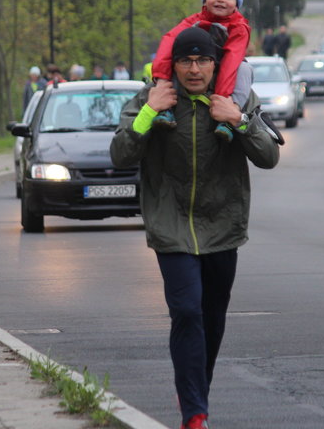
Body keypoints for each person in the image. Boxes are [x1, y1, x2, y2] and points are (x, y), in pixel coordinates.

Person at [110, 26, 280, 429]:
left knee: (213, 317)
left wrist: (239, 120)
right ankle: (195, 414)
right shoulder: (153, 98)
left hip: (223, 225)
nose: (194, 69)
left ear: (215, 64)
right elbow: (120, 154)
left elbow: (269, 156)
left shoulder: (236, 96)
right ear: (173, 65)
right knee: (187, 312)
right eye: (185, 60)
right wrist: (149, 113)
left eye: (202, 60)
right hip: (171, 226)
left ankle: (194, 388)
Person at [150, 0, 253, 143]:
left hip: (224, 75)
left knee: (244, 68)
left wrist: (220, 98)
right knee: (180, 62)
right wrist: (161, 79)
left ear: (237, 3)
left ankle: (229, 116)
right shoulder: (193, 21)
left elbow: (231, 61)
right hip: (198, 69)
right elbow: (168, 43)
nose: (220, 0)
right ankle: (166, 109)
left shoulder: (239, 28)